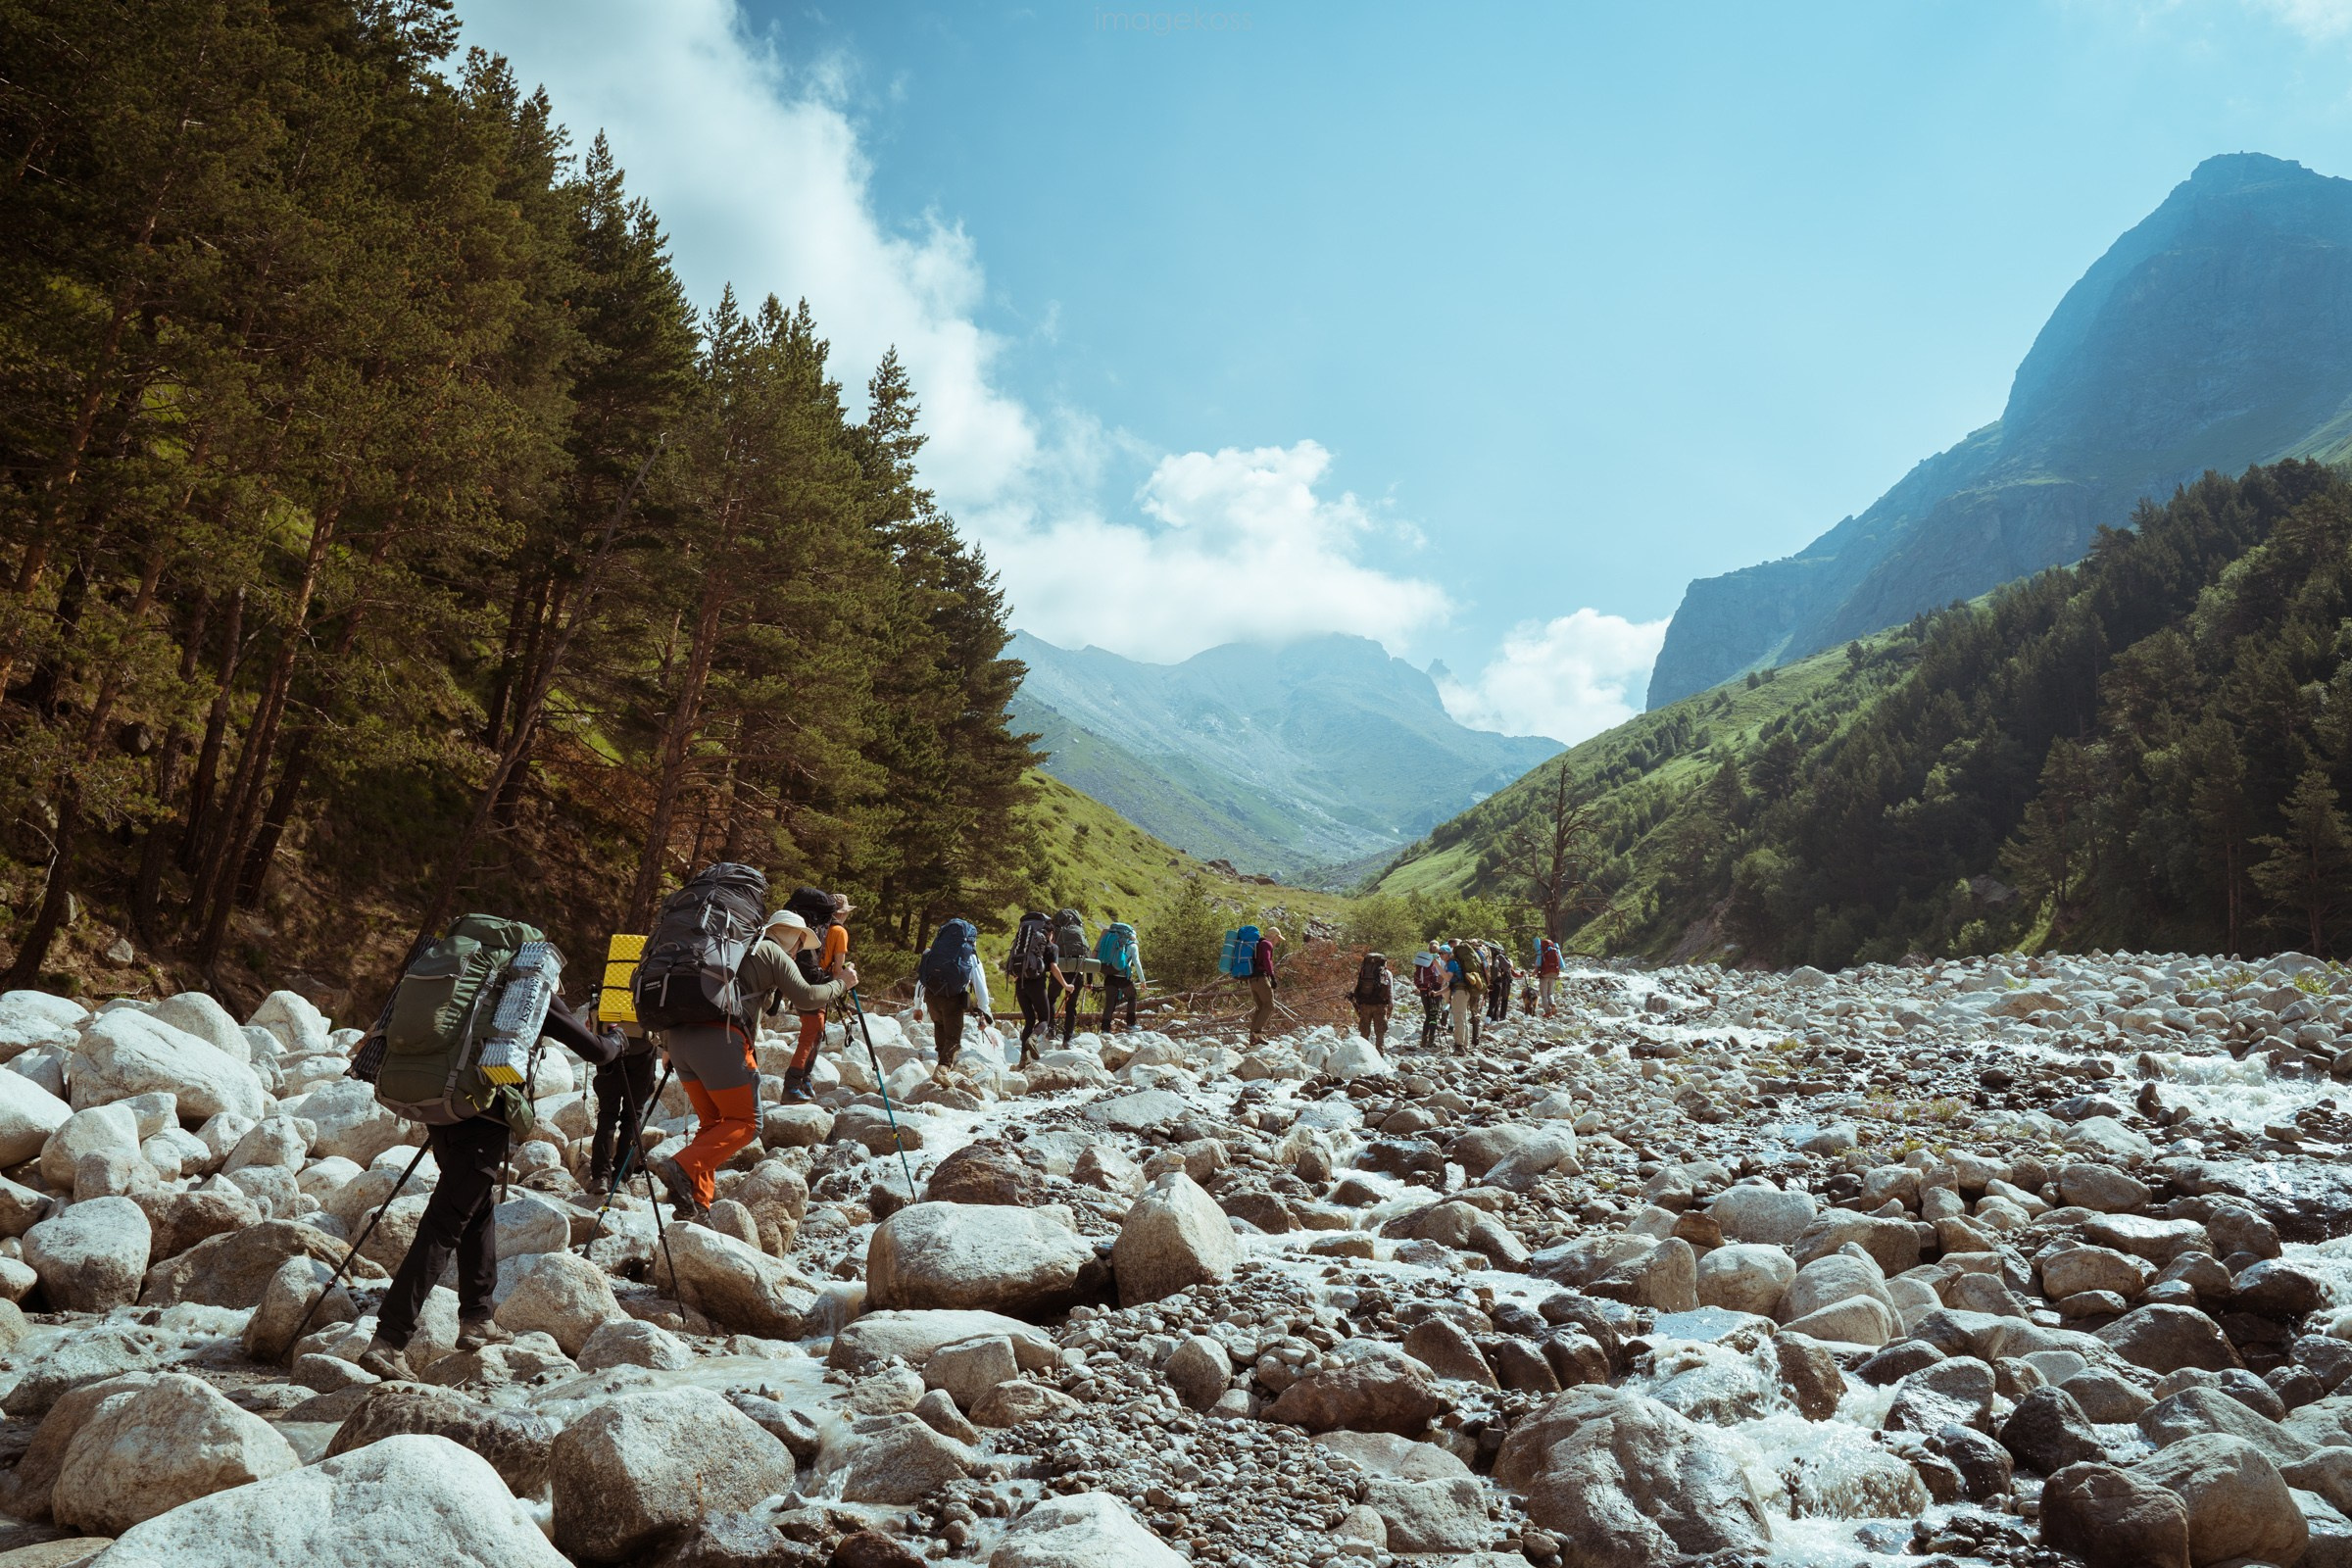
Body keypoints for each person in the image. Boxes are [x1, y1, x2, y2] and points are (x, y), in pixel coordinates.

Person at [361, 986, 619, 1380]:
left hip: (442, 1107)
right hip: (484, 1117)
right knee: (444, 1224)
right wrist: (616, 1038)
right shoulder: (529, 988)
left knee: (475, 1207)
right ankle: (389, 1338)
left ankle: (478, 1316)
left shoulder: (465, 986)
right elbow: (596, 1051)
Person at [651, 909, 851, 1222]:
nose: (800, 951)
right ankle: (681, 1166)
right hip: (720, 1042)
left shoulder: (726, 947)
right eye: (800, 943)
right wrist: (842, 983)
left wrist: (666, 1045)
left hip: (679, 1042)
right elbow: (809, 997)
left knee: (714, 1124)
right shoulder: (769, 949)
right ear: (789, 935)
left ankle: (696, 1205)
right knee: (747, 1123)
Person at [782, 894, 853, 1103]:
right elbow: (838, 969)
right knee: (811, 1034)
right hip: (820, 986)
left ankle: (804, 1080)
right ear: (841, 913)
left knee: (815, 1033)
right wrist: (845, 983)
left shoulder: (815, 928)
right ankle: (792, 1085)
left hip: (800, 983)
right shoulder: (839, 931)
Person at [912, 917, 993, 1083]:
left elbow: (922, 980)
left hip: (931, 997)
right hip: (953, 1000)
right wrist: (984, 1013)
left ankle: (941, 1063)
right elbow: (980, 987)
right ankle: (942, 1069)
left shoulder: (932, 953)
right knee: (954, 1039)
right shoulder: (970, 957)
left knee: (939, 1026)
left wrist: (917, 1006)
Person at [588, 1012, 657, 1194]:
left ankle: (600, 1178)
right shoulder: (648, 985)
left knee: (607, 1114)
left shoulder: (611, 986)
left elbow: (592, 1020)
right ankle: (620, 1179)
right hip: (643, 1050)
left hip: (610, 1048)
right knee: (632, 1117)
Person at [1006, 909, 1065, 1063]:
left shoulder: (1022, 946)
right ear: (1050, 932)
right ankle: (1033, 1038)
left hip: (1021, 985)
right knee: (1045, 1018)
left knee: (1029, 1020)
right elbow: (1053, 968)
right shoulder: (1051, 947)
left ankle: (1023, 1058)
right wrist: (1066, 985)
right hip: (1037, 985)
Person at [1097, 912, 1144, 1032]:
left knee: (1109, 1002)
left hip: (1109, 976)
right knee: (1132, 996)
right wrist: (1143, 981)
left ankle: (1105, 1029)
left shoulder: (1113, 942)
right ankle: (1131, 1024)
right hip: (1122, 977)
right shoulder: (1132, 946)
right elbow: (1137, 963)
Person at [1053, 907, 1092, 1046]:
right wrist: (1089, 981)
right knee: (1071, 1007)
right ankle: (1067, 1038)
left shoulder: (1057, 931)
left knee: (1051, 999)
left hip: (1059, 970)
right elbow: (1088, 958)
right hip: (1077, 972)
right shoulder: (1080, 933)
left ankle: (1051, 1030)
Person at [1348, 951, 1393, 1052]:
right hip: (1380, 1005)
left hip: (1365, 1004)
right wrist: (1390, 1006)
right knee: (1380, 1031)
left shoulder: (1363, 972)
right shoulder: (1387, 973)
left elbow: (1358, 987)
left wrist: (1357, 1004)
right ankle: (1380, 1052)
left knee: (1364, 1030)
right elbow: (1390, 991)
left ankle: (1364, 1052)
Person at [1247, 924, 1283, 1047]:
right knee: (1269, 1006)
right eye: (1278, 938)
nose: (1278, 941)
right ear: (1274, 936)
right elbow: (1267, 960)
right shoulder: (1267, 944)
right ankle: (1257, 1034)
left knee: (1260, 1008)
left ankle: (1253, 1038)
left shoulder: (1257, 943)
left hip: (1252, 980)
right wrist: (1272, 977)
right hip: (1261, 979)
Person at [1446, 937, 1485, 1053]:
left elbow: (1447, 979)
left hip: (1459, 991)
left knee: (1459, 1018)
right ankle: (1467, 1044)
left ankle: (1459, 1046)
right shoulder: (1468, 958)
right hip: (1469, 990)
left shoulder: (1453, 962)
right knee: (1465, 1017)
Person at [1411, 949, 1446, 1052]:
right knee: (1433, 1015)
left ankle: (1423, 1040)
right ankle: (1431, 1041)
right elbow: (1440, 979)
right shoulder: (1437, 962)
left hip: (1423, 991)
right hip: (1434, 991)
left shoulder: (1422, 961)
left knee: (1428, 1015)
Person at [1535, 934, 1564, 1016]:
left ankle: (1547, 1012)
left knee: (1544, 995)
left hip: (1545, 975)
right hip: (1554, 974)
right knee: (1550, 993)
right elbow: (1560, 966)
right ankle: (1553, 1003)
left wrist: (1532, 974)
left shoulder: (1541, 953)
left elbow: (1537, 967)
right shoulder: (1556, 951)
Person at [1487, 941, 1514, 1024]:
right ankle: (1500, 1018)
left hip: (1489, 981)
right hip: (1502, 981)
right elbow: (1509, 967)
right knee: (1503, 999)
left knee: (1493, 1000)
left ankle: (1493, 1019)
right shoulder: (1501, 957)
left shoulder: (1487, 956)